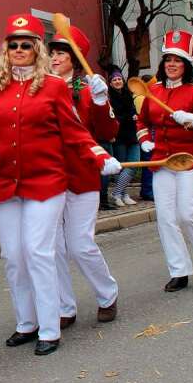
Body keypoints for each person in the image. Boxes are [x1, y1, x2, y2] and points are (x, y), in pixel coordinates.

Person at [0, 15, 120, 357]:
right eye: (12, 44)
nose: (18, 50)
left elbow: (78, 130)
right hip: (5, 182)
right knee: (13, 255)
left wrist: (100, 155)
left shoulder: (56, 87)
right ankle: (26, 322)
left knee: (46, 250)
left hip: (49, 179)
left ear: (36, 49)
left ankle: (50, 327)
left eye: (26, 44)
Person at [135, 30, 193, 292]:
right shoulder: (153, 90)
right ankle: (179, 270)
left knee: (188, 212)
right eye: (168, 59)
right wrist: (143, 140)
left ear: (187, 65)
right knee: (166, 217)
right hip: (163, 160)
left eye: (178, 60)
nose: (171, 64)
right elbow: (142, 119)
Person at [46, 24, 120, 329]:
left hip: (83, 173)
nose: (54, 58)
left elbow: (108, 133)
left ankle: (107, 293)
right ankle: (64, 306)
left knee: (79, 244)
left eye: (61, 54)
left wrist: (102, 104)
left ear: (75, 61)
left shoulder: (89, 91)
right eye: (52, 53)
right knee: (53, 246)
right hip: (49, 174)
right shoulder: (40, 88)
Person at [108, 70, 140, 206]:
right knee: (121, 166)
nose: (117, 81)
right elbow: (113, 117)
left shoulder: (129, 95)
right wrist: (129, 117)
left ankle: (117, 192)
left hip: (133, 134)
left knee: (133, 164)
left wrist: (136, 116)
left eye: (119, 79)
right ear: (110, 83)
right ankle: (123, 194)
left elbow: (133, 111)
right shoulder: (109, 97)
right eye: (114, 80)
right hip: (119, 135)